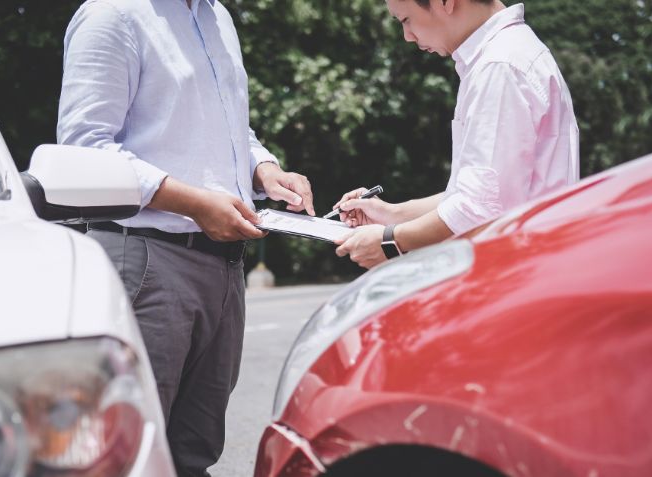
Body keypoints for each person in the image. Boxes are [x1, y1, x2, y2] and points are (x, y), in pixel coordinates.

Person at [56, 0, 314, 475]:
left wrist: (265, 169)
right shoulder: (112, 14)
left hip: (223, 268)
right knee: (126, 453)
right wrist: (195, 204)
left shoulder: (218, 17)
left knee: (193, 453)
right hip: (148, 261)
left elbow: (230, 128)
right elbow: (85, 148)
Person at [335, 0, 579, 268]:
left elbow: (479, 207)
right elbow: (486, 193)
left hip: (521, 273)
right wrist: (393, 214)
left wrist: (390, 241)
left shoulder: (499, 66)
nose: (407, 37)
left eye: (406, 20)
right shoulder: (503, 56)